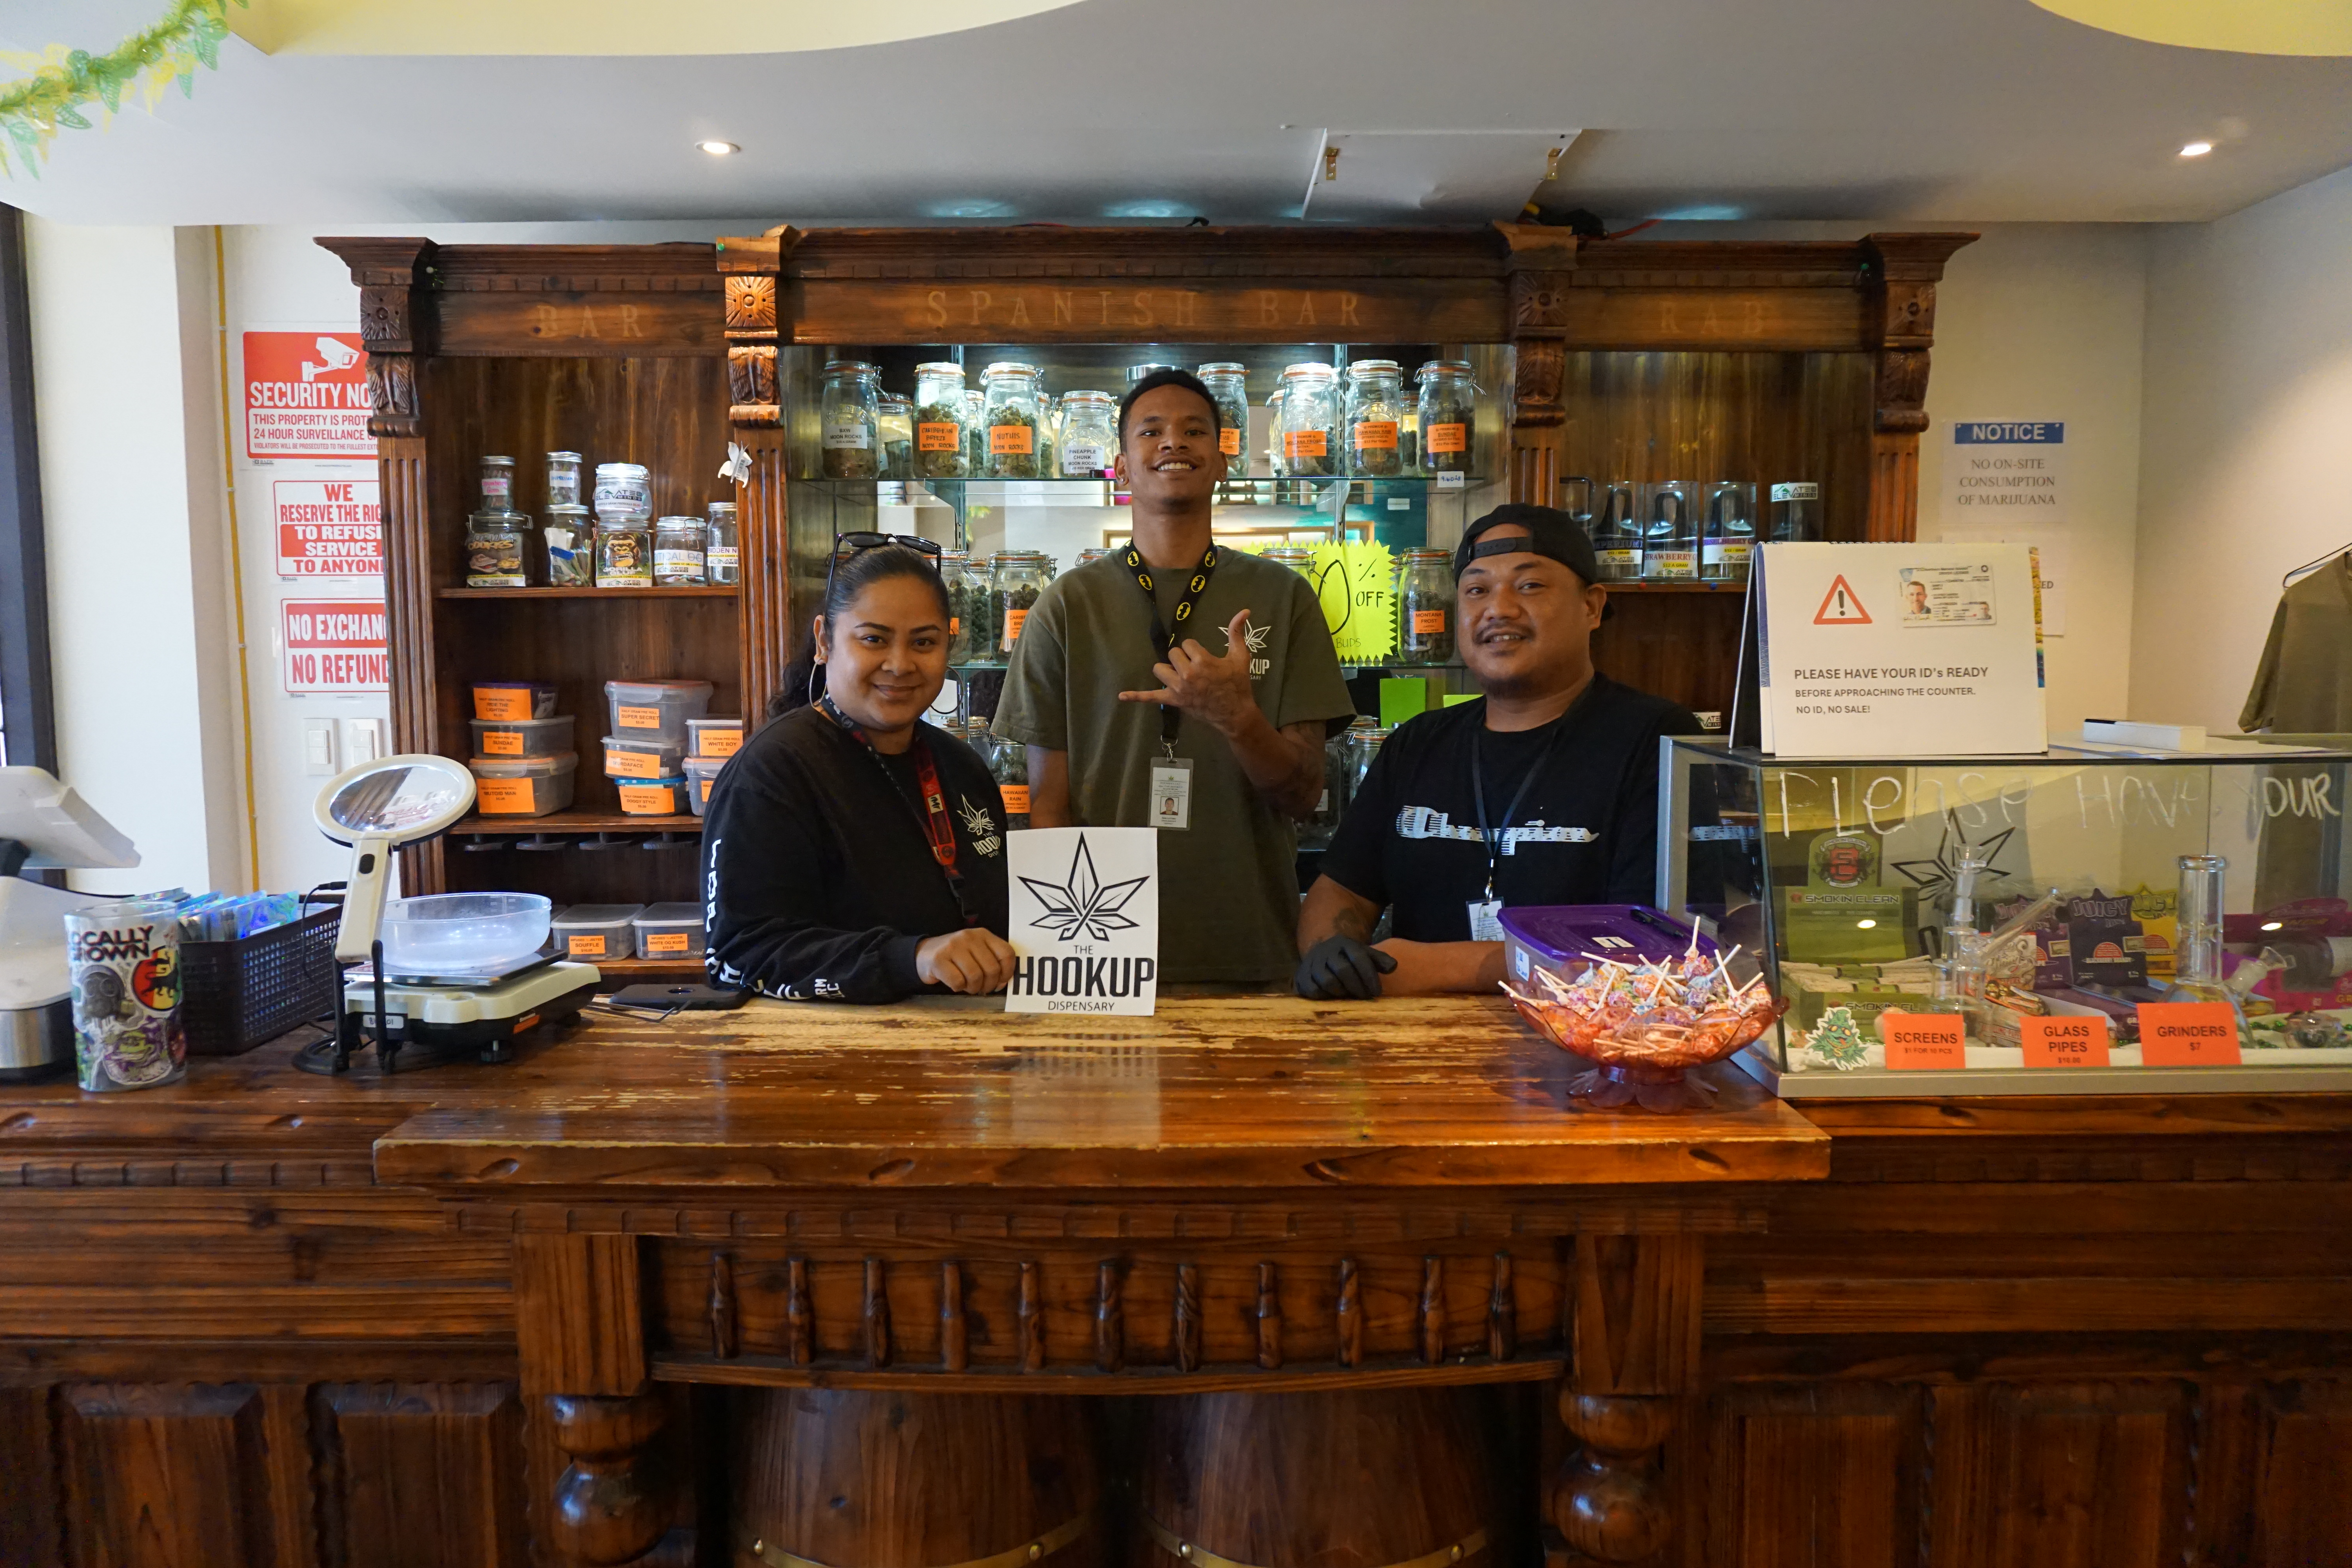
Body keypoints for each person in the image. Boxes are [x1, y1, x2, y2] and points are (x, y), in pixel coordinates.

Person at [991, 370, 1357, 985]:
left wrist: (1239, 720)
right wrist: (1072, 965)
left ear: (1221, 461)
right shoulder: (1067, 604)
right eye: (1151, 431)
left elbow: (1301, 796)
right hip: (1103, 965)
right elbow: (1047, 810)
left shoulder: (1283, 596)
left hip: (1251, 948)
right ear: (1121, 466)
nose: (1173, 443)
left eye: (1194, 431)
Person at [1295, 504, 1701, 999]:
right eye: (1476, 590)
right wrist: (1329, 949)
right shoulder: (1419, 741)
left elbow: (1645, 944)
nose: (1499, 609)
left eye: (1529, 586)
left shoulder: (1657, 739)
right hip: (1414, 1051)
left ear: (1592, 607)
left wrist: (1427, 966)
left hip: (1583, 1053)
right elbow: (1342, 889)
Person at [702, 537, 1015, 1003]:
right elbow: (737, 957)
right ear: (824, 641)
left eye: (924, 642)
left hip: (968, 1054)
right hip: (829, 1062)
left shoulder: (961, 766)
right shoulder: (771, 773)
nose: (900, 664)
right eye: (874, 639)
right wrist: (913, 958)